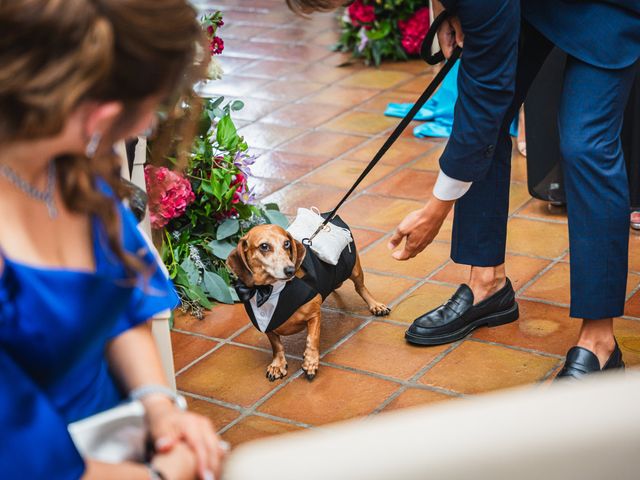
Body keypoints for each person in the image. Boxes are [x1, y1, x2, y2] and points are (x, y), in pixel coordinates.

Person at [287, 0, 640, 379]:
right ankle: (487, 284)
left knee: (586, 145)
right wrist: (445, 8)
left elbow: (486, 90)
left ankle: (600, 343)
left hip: (605, 9)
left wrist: (436, 209)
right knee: (485, 121)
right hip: (523, 7)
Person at [0, 1, 225, 479]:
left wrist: (160, 408)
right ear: (101, 111)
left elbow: (121, 304)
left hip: (120, 434)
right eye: (149, 108)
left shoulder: (72, 174)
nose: (146, 125)